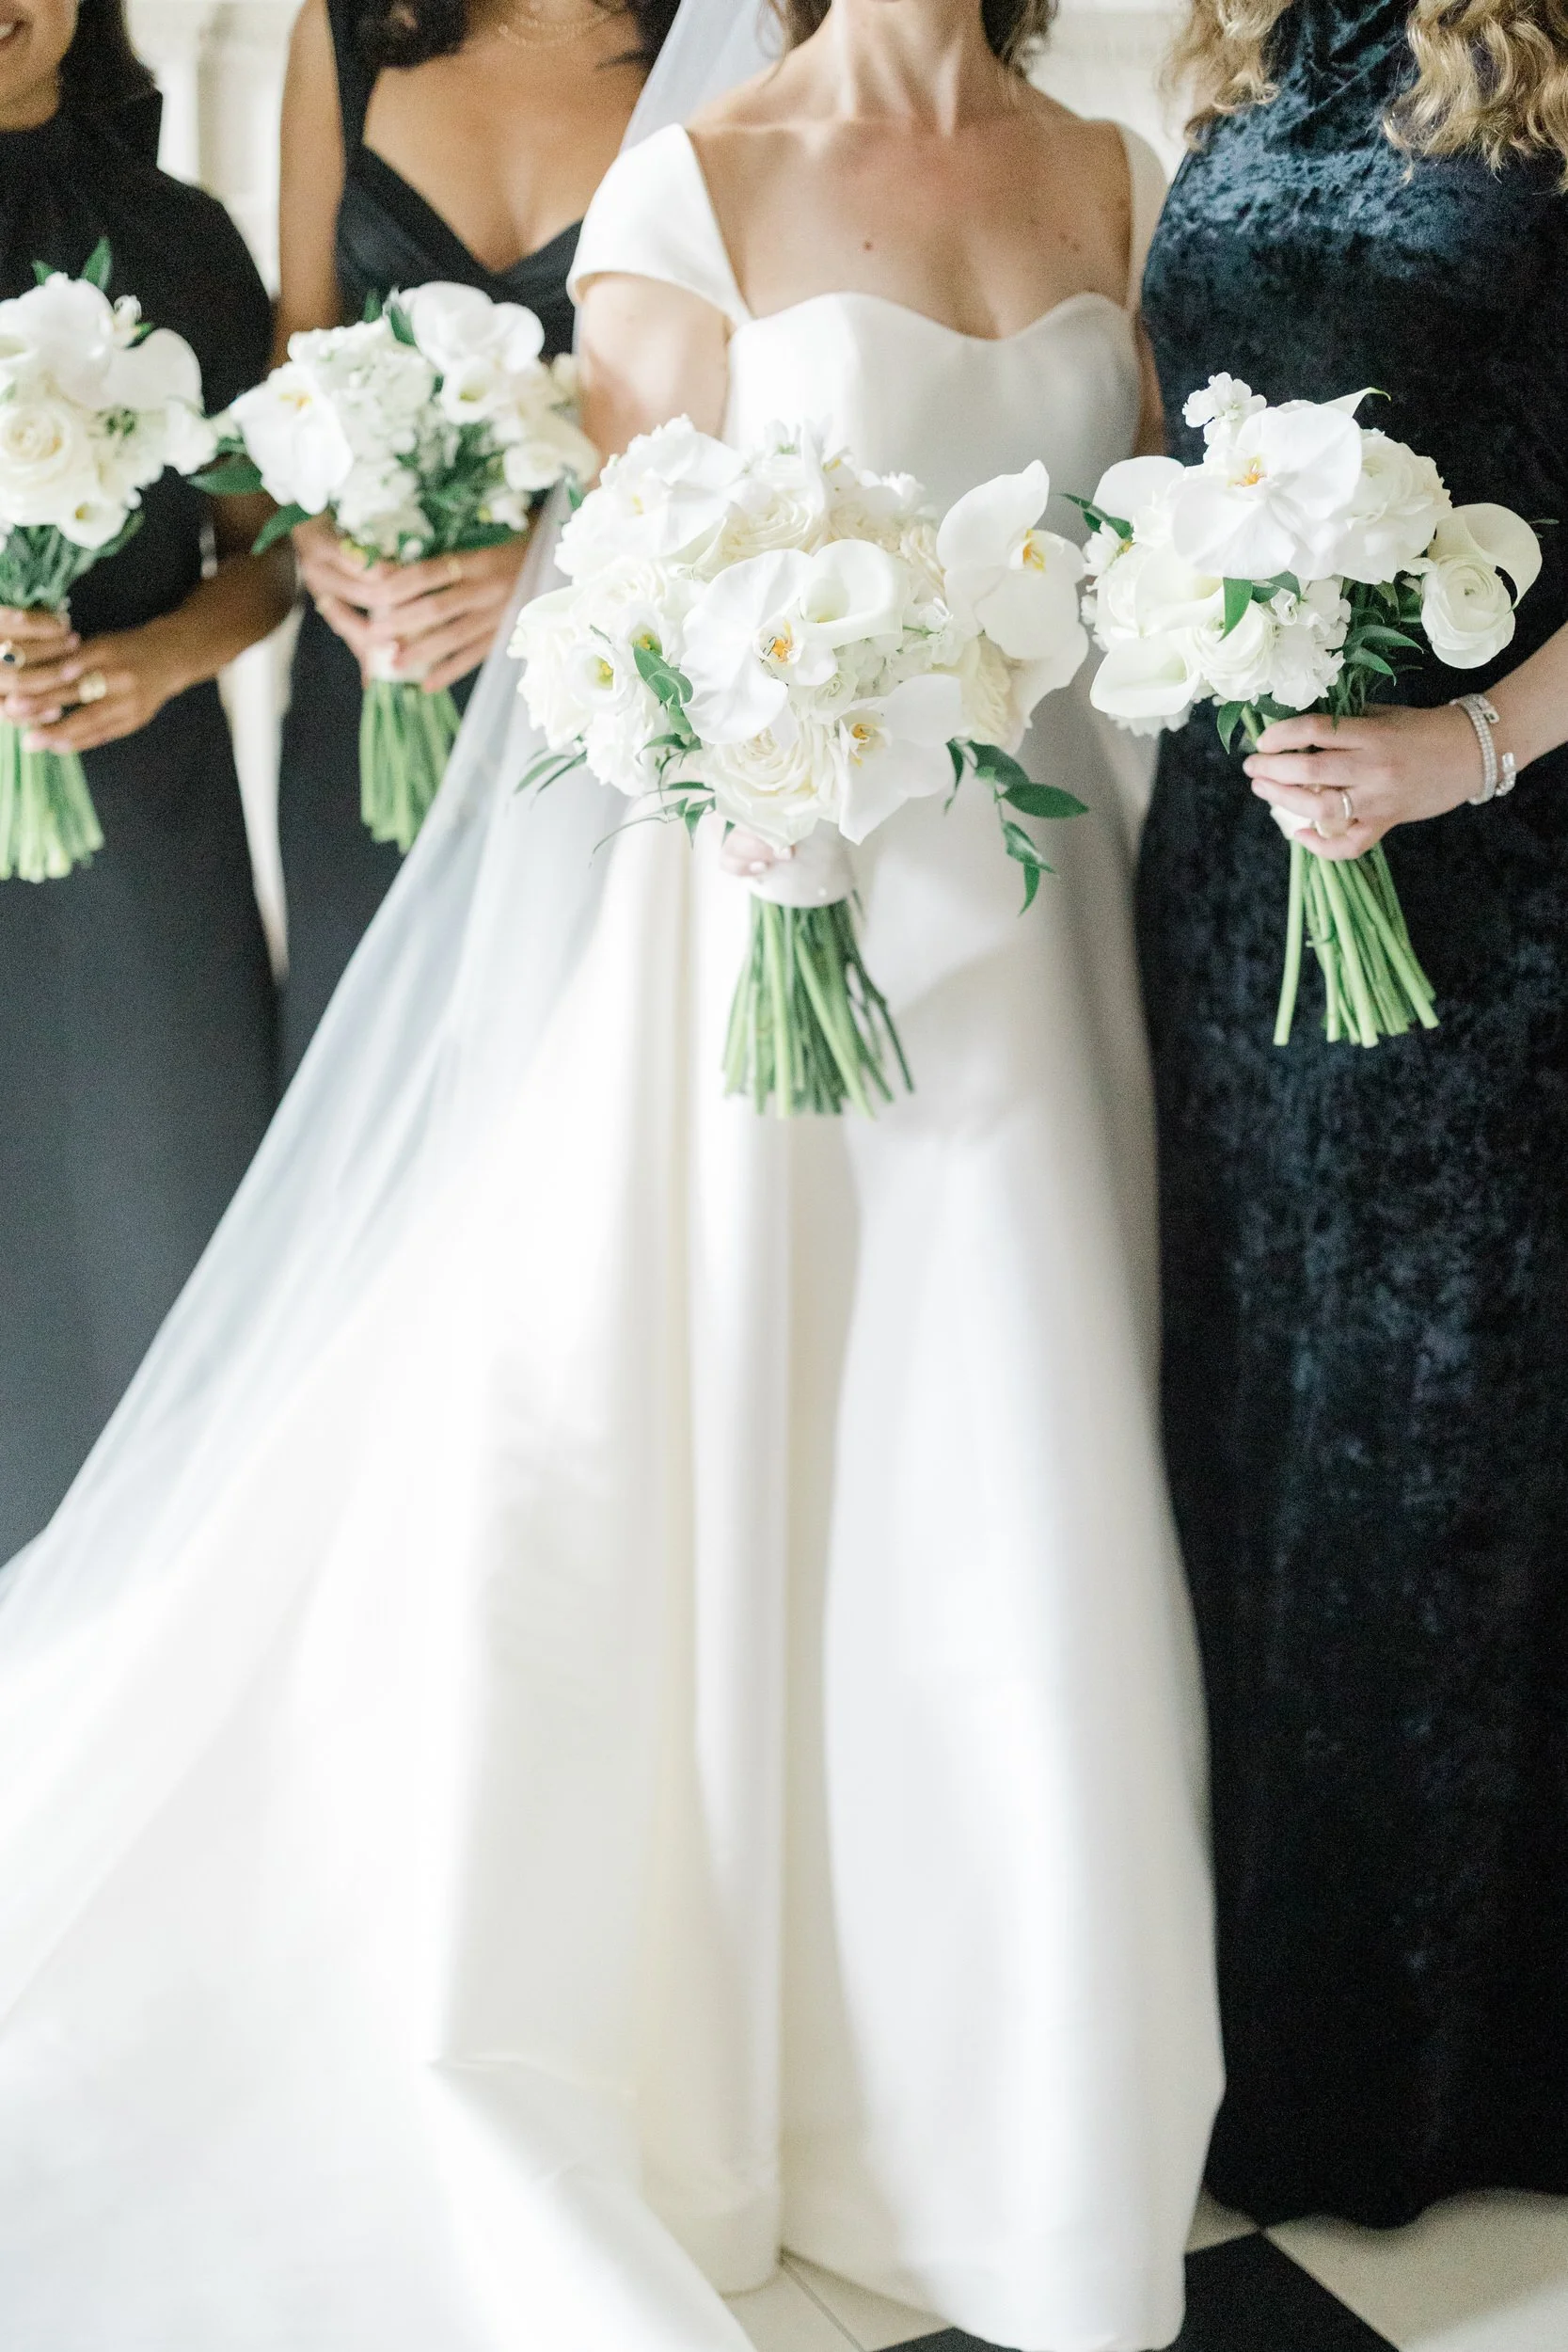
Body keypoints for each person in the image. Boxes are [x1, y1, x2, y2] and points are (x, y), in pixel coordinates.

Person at [0, 3, 1220, 2345]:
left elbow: (1115, 576)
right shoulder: (702, 182)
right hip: (769, 918)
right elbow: (608, 613)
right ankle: (745, 2063)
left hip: (1044, 940)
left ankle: (1021, 2094)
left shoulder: (1098, 168)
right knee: (772, 1449)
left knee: (1016, 1455)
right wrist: (744, 764)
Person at [1138, 0, 1568, 2231]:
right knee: (1244, 1402)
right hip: (1236, 865)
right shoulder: (1236, 69)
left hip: (1494, 862)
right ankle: (1215, 2027)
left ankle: (1416, 2073)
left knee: (1439, 1433)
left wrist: (1464, 747)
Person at [0, 0, 289, 1559]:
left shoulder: (177, 239)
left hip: (143, 828)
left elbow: (269, 549)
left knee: (160, 1212)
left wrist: (168, 658)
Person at [274, 0, 673, 1075]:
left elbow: (738, 388)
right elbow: (298, 342)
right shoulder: (345, 27)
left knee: (568, 1074)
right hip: (374, 660)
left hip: (604, 677)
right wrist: (317, 533)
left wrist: (556, 569)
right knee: (354, 1058)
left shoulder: (714, 38)